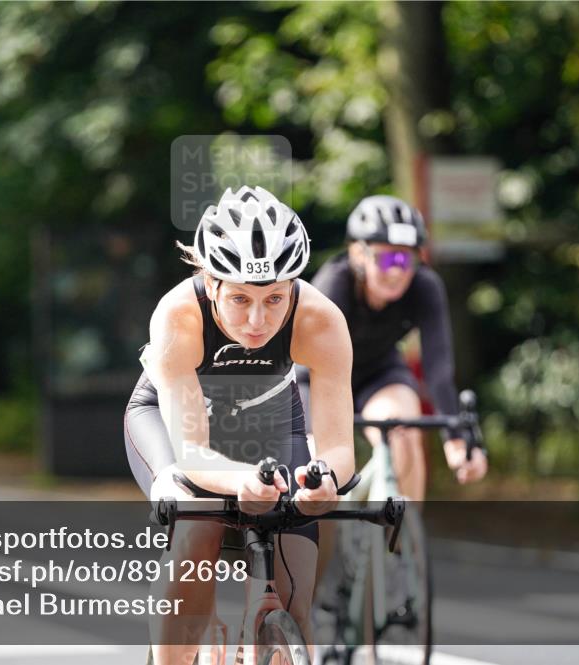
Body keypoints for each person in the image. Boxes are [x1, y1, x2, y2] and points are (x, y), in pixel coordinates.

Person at [124, 186, 357, 664]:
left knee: (295, 593)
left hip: (272, 419)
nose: (257, 320)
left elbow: (338, 450)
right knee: (196, 526)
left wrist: (325, 481)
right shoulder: (177, 316)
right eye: (239, 299)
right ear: (210, 284)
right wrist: (241, 481)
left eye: (275, 299)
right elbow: (191, 451)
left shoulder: (321, 320)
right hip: (174, 425)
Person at [297, 195, 488, 502]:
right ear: (359, 254)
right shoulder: (333, 285)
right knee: (315, 471)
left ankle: (404, 542)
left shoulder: (425, 286)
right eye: (387, 259)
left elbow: (438, 369)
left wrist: (456, 440)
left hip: (378, 373)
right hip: (318, 378)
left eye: (406, 260)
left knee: (404, 435)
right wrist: (305, 437)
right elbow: (306, 369)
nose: (397, 271)